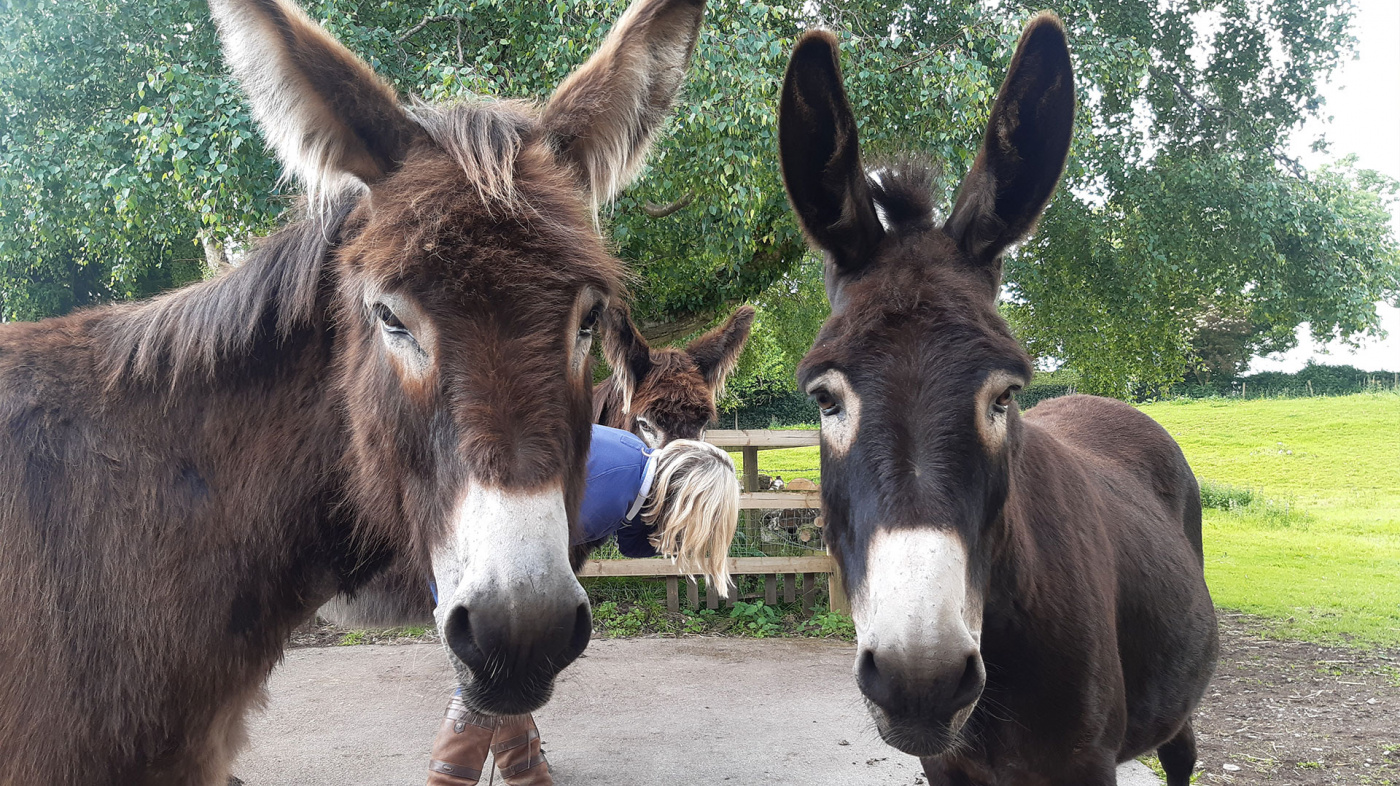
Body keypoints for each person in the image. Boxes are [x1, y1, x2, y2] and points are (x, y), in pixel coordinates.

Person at [427, 425, 740, 785]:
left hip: (463, 529)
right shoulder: (606, 497)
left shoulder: (629, 463)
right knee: (500, 657)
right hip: (461, 552)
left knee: (510, 663)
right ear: (688, 502)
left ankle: (528, 772)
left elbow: (631, 543)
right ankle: (450, 781)